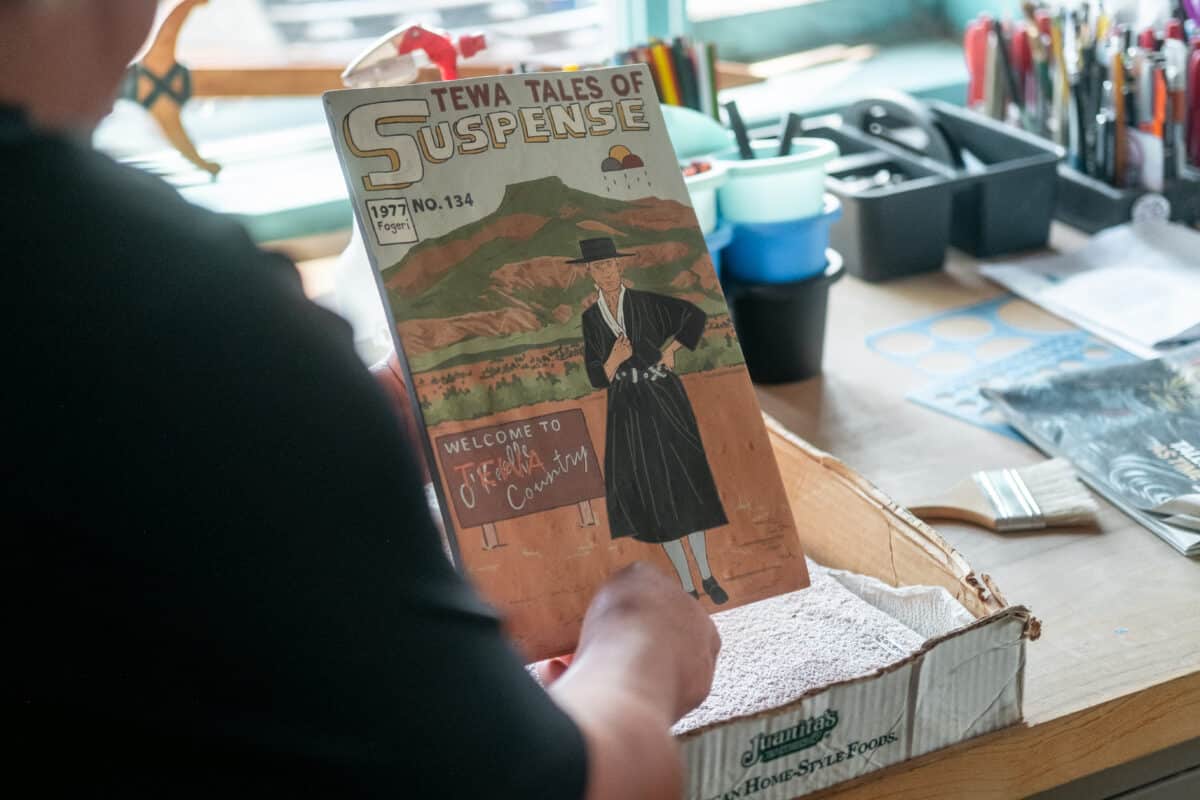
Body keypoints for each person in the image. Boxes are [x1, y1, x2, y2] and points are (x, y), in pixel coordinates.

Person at [1, 2, 719, 797]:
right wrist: (639, 658)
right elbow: (544, 785)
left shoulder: (100, 299)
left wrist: (324, 424)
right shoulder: (155, 297)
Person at [577, 238, 730, 605]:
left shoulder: (646, 302)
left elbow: (694, 316)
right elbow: (596, 376)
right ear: (590, 273)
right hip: (627, 409)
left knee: (685, 485)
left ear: (619, 267)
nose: (606, 272)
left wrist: (671, 351)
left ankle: (707, 576)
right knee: (654, 493)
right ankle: (687, 585)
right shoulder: (591, 319)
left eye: (610, 265)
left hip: (664, 397)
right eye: (598, 267)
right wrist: (614, 359)